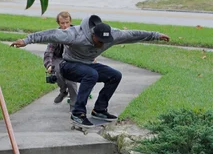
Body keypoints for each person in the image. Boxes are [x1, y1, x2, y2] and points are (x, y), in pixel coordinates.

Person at [11, 15, 170, 128]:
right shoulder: (75, 34)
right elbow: (49, 34)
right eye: (99, 41)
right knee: (91, 74)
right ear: (93, 35)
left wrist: (156, 35)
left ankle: (99, 110)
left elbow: (133, 34)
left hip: (87, 65)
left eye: (105, 42)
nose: (102, 45)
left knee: (114, 75)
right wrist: (25, 40)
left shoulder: (113, 35)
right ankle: (78, 114)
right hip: (68, 66)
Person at [43, 11, 78, 109]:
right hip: (58, 58)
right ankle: (63, 92)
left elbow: (87, 46)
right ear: (59, 24)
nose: (65, 25)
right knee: (57, 72)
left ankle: (74, 104)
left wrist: (92, 58)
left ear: (70, 21)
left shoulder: (77, 33)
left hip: (73, 59)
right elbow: (49, 51)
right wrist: (49, 65)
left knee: (71, 80)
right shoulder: (55, 35)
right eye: (62, 23)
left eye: (67, 22)